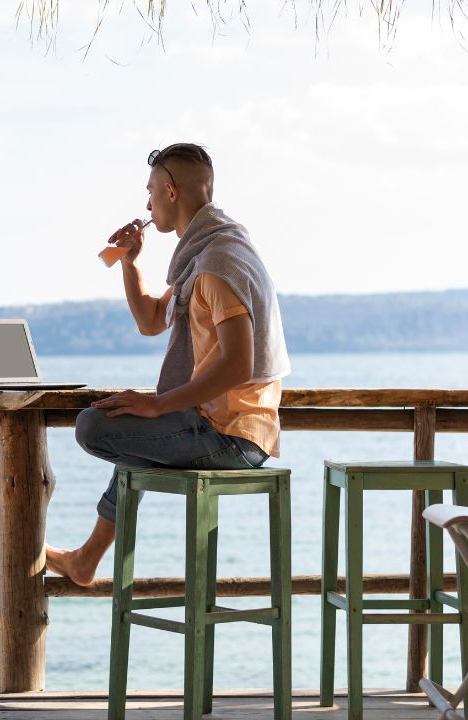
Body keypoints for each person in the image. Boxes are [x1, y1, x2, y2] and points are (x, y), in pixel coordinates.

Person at [44, 143, 291, 587]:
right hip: (224, 426)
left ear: (171, 192)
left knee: (93, 426)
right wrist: (131, 262)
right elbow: (152, 321)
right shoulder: (206, 255)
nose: (147, 203)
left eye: (151, 191)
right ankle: (86, 559)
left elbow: (238, 365)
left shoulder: (217, 265)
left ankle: (87, 556)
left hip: (232, 436)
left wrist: (159, 405)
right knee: (127, 423)